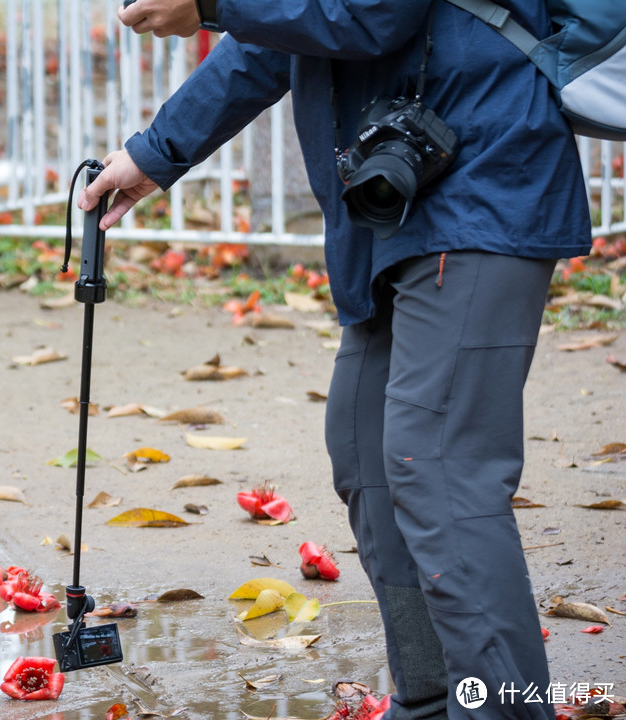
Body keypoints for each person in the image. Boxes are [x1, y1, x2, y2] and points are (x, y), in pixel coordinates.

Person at [78, 1, 593, 718]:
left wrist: (211, 4)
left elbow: (370, 13)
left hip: (481, 183)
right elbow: (273, 37)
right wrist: (159, 150)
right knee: (369, 462)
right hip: (393, 198)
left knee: (436, 467)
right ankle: (432, 699)